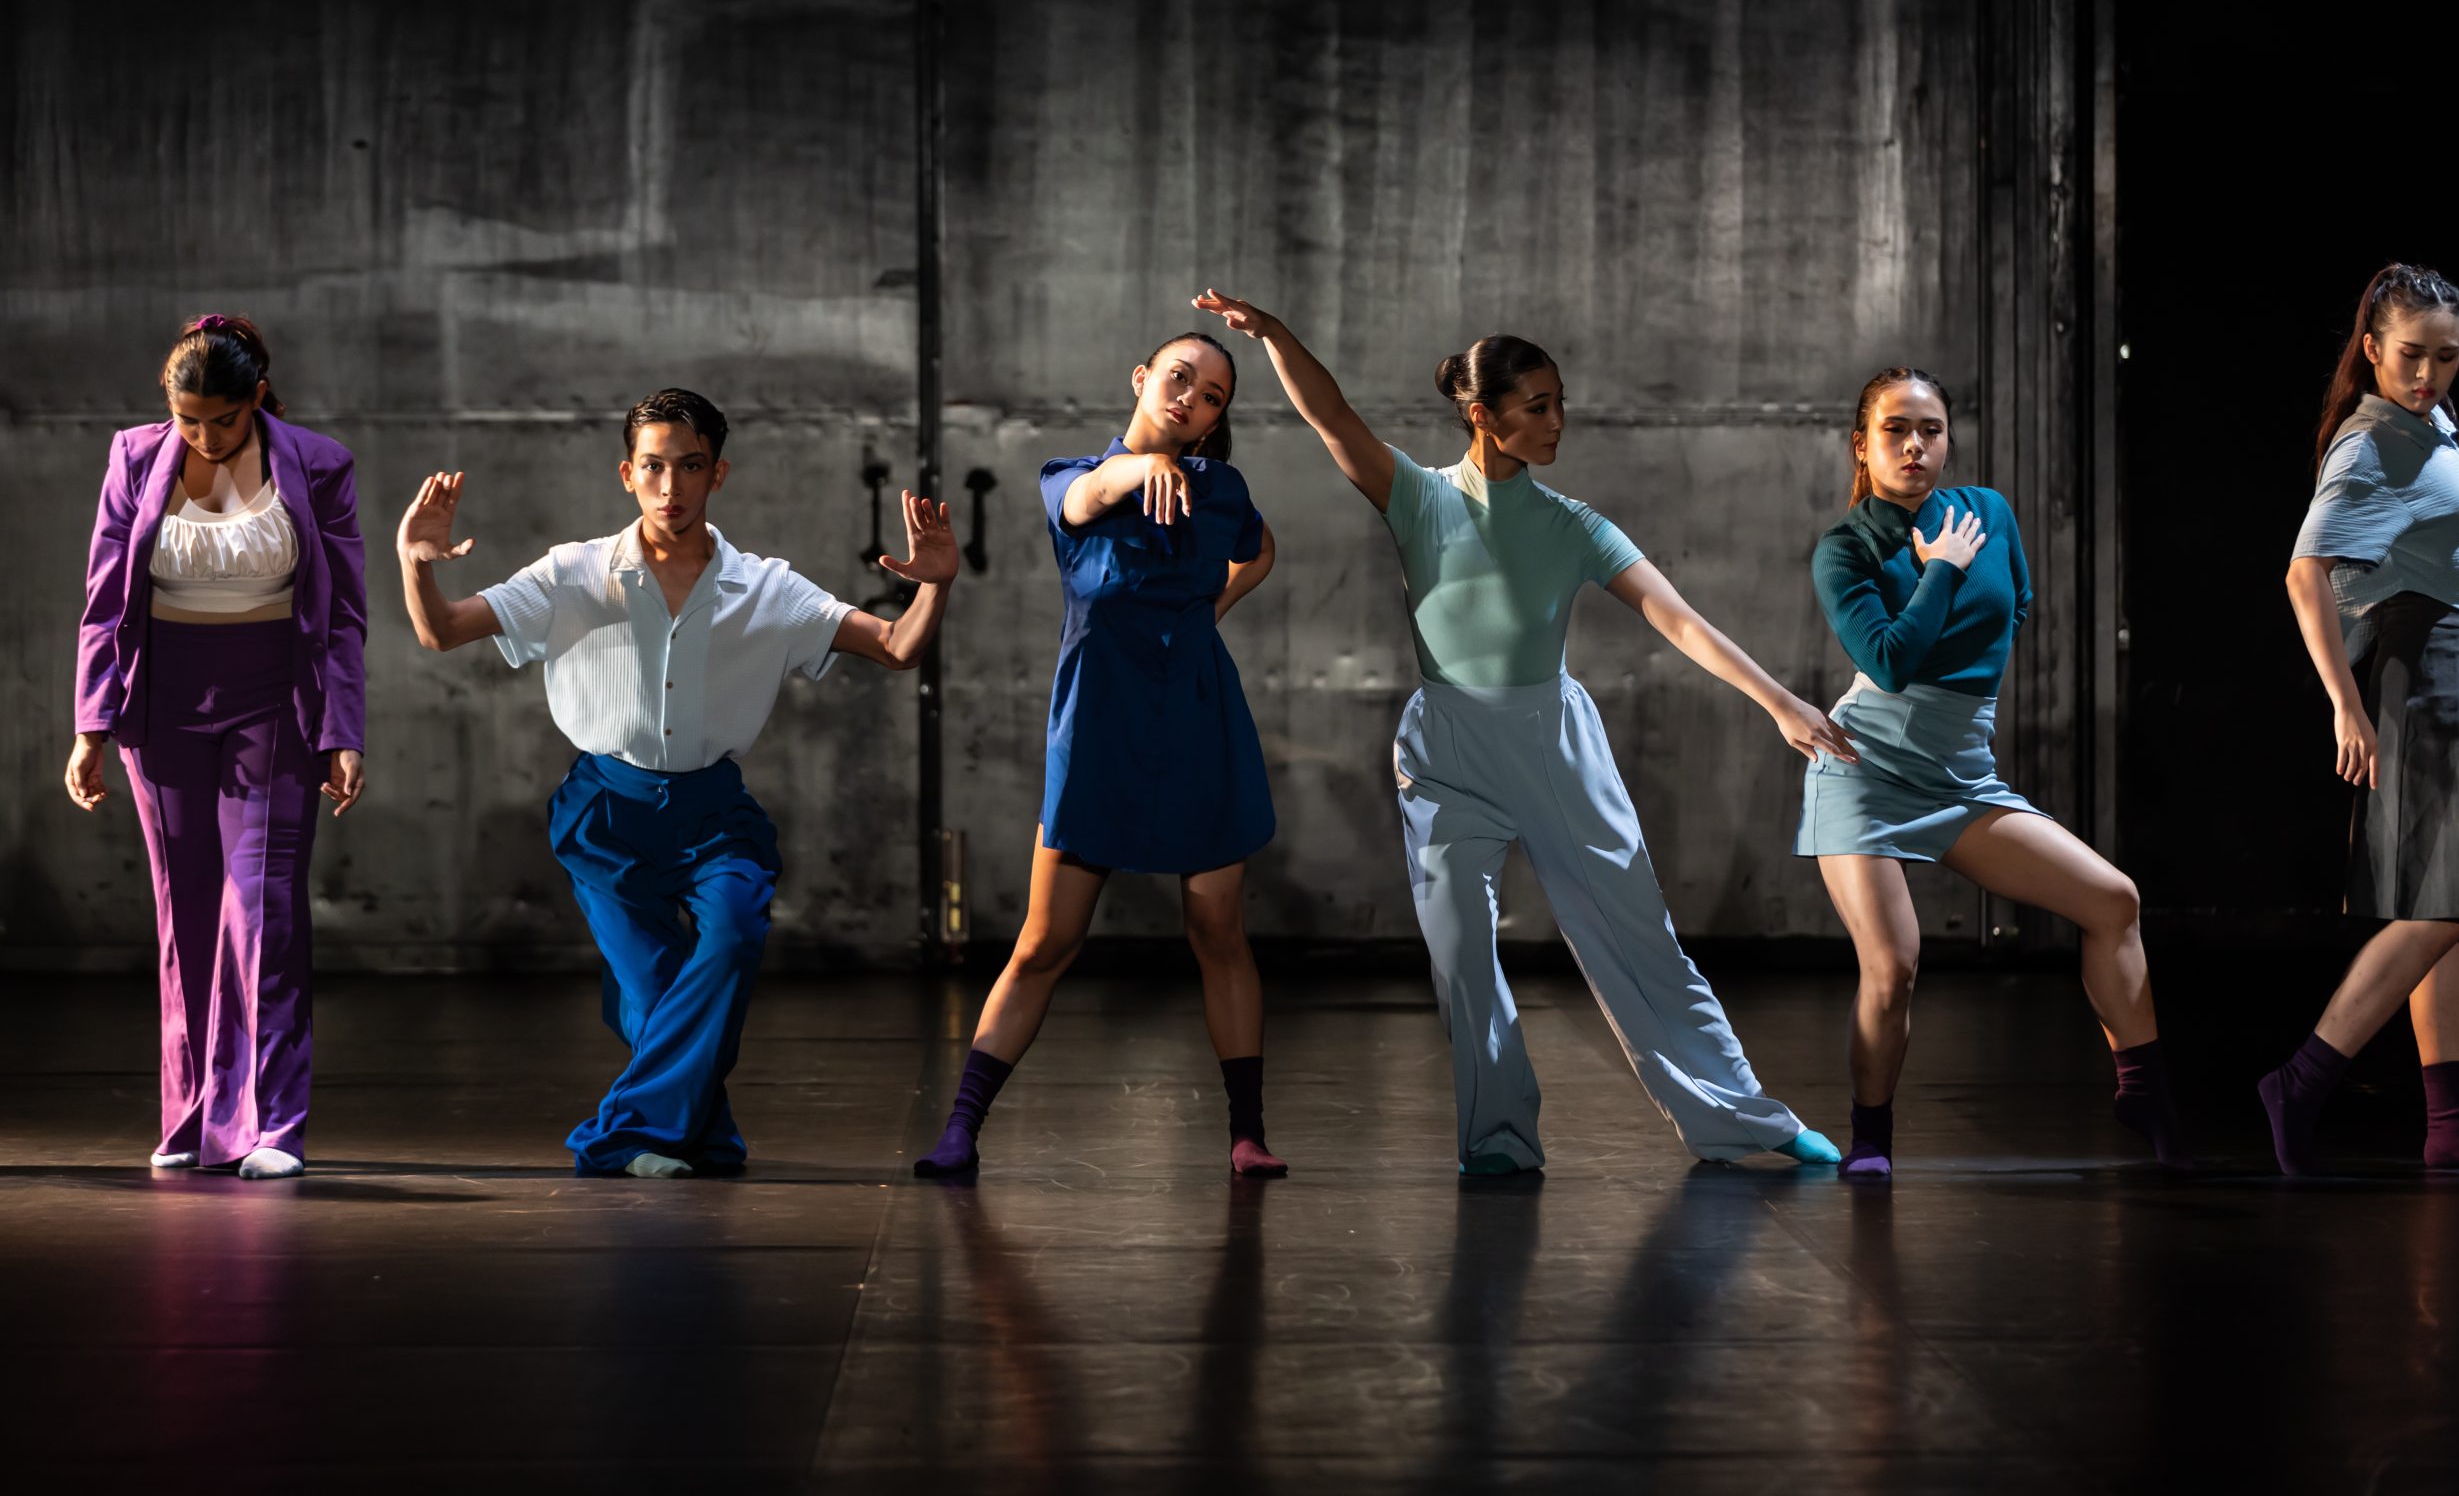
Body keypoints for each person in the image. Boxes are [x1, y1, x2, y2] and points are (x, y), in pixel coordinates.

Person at [1200, 288, 1845, 1174]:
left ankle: (1745, 1117)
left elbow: (1679, 618)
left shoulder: (1573, 524)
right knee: (1461, 953)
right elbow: (1330, 414)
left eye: (1559, 403)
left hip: (1553, 745)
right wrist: (1274, 333)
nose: (1557, 422)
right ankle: (1498, 1140)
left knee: (1639, 941)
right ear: (1482, 415)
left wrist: (1777, 700)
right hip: (1446, 751)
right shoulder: (1418, 497)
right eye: (1537, 406)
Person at [397, 388, 954, 1177]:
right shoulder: (572, 572)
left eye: (690, 467)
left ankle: (623, 1136)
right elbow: (442, 629)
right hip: (605, 813)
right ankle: (700, 1136)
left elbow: (896, 647)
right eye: (653, 467)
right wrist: (415, 563)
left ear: (717, 474)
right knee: (656, 991)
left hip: (714, 812)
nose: (670, 486)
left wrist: (935, 584)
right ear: (627, 473)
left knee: (733, 935)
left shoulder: (768, 588)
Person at [1797, 367, 2185, 1178]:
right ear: (1861, 446)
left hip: (1962, 772)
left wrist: (1953, 621)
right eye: (1895, 429)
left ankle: (2146, 1092)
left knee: (2113, 900)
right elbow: (1890, 661)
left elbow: (2016, 604)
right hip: (1866, 770)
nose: (1914, 444)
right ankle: (1871, 1138)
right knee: (1893, 964)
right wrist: (1940, 569)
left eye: (1930, 429)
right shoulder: (1846, 547)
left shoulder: (1988, 511)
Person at [916, 332, 1287, 1178]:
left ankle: (1248, 1133)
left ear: (1216, 420)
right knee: (1046, 940)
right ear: (1142, 378)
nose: (1191, 398)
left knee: (1218, 931)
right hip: (1098, 728)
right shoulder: (1070, 476)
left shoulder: (1222, 489)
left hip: (1200, 720)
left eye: (1212, 396)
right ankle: (960, 1129)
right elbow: (1089, 498)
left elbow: (1258, 548)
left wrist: (1208, 612)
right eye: (1179, 378)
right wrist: (1142, 467)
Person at [2261, 263, 2459, 1174]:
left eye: (2447, 356)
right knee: (2448, 904)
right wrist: (2346, 706)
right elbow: (2304, 576)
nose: (2427, 373)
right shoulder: (2372, 444)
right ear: (2373, 347)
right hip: (2435, 669)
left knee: (2446, 906)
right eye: (2411, 354)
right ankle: (2303, 1077)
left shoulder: (2427, 422)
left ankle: (2451, 1128)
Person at [68, 314, 367, 1180]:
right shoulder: (134, 458)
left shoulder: (319, 464)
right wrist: (90, 726)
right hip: (162, 704)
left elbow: (344, 613)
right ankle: (194, 1114)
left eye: (223, 419)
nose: (203, 436)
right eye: (187, 418)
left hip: (273, 701)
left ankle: (272, 1122)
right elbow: (103, 600)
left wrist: (343, 730)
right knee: (185, 907)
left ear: (257, 397)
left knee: (263, 907)